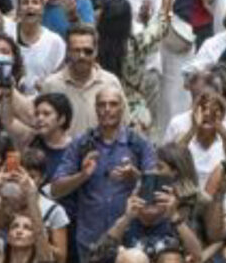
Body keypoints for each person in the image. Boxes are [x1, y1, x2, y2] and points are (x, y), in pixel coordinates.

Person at [51, 87, 156, 263]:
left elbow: (155, 189)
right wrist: (83, 175)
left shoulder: (139, 143)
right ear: (95, 109)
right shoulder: (81, 143)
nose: (107, 109)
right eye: (102, 104)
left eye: (113, 104)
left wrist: (136, 176)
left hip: (129, 236)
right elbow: (56, 189)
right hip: (91, 237)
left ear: (122, 108)